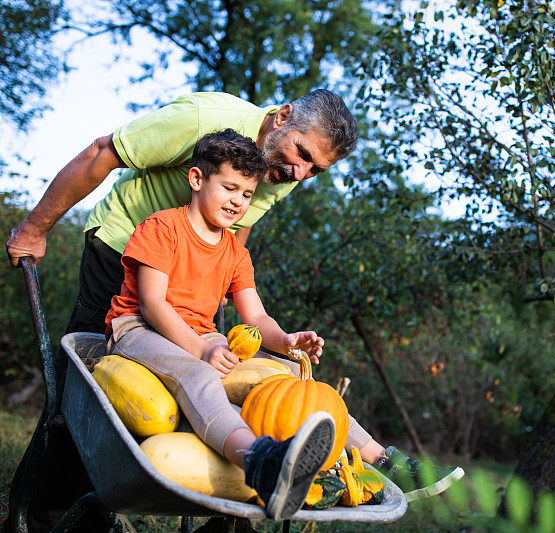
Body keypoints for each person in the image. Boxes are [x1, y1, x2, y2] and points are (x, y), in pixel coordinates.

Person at [4, 90, 462, 533]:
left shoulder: (282, 169)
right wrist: (35, 227)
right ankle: (49, 515)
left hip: (193, 288)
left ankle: (378, 459)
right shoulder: (202, 125)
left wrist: (272, 338)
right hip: (130, 261)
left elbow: (238, 263)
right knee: (86, 401)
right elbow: (101, 152)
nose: (301, 174)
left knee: (287, 378)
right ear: (281, 118)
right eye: (301, 154)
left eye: (315, 169)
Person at [104, 129, 335, 520]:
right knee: (199, 373)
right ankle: (261, 463)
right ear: (197, 179)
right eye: (229, 188)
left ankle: (378, 458)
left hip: (203, 338)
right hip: (138, 330)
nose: (238, 202)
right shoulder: (162, 228)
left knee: (292, 375)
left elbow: (257, 318)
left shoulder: (234, 252)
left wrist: (288, 341)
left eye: (246, 194)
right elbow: (153, 305)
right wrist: (202, 350)